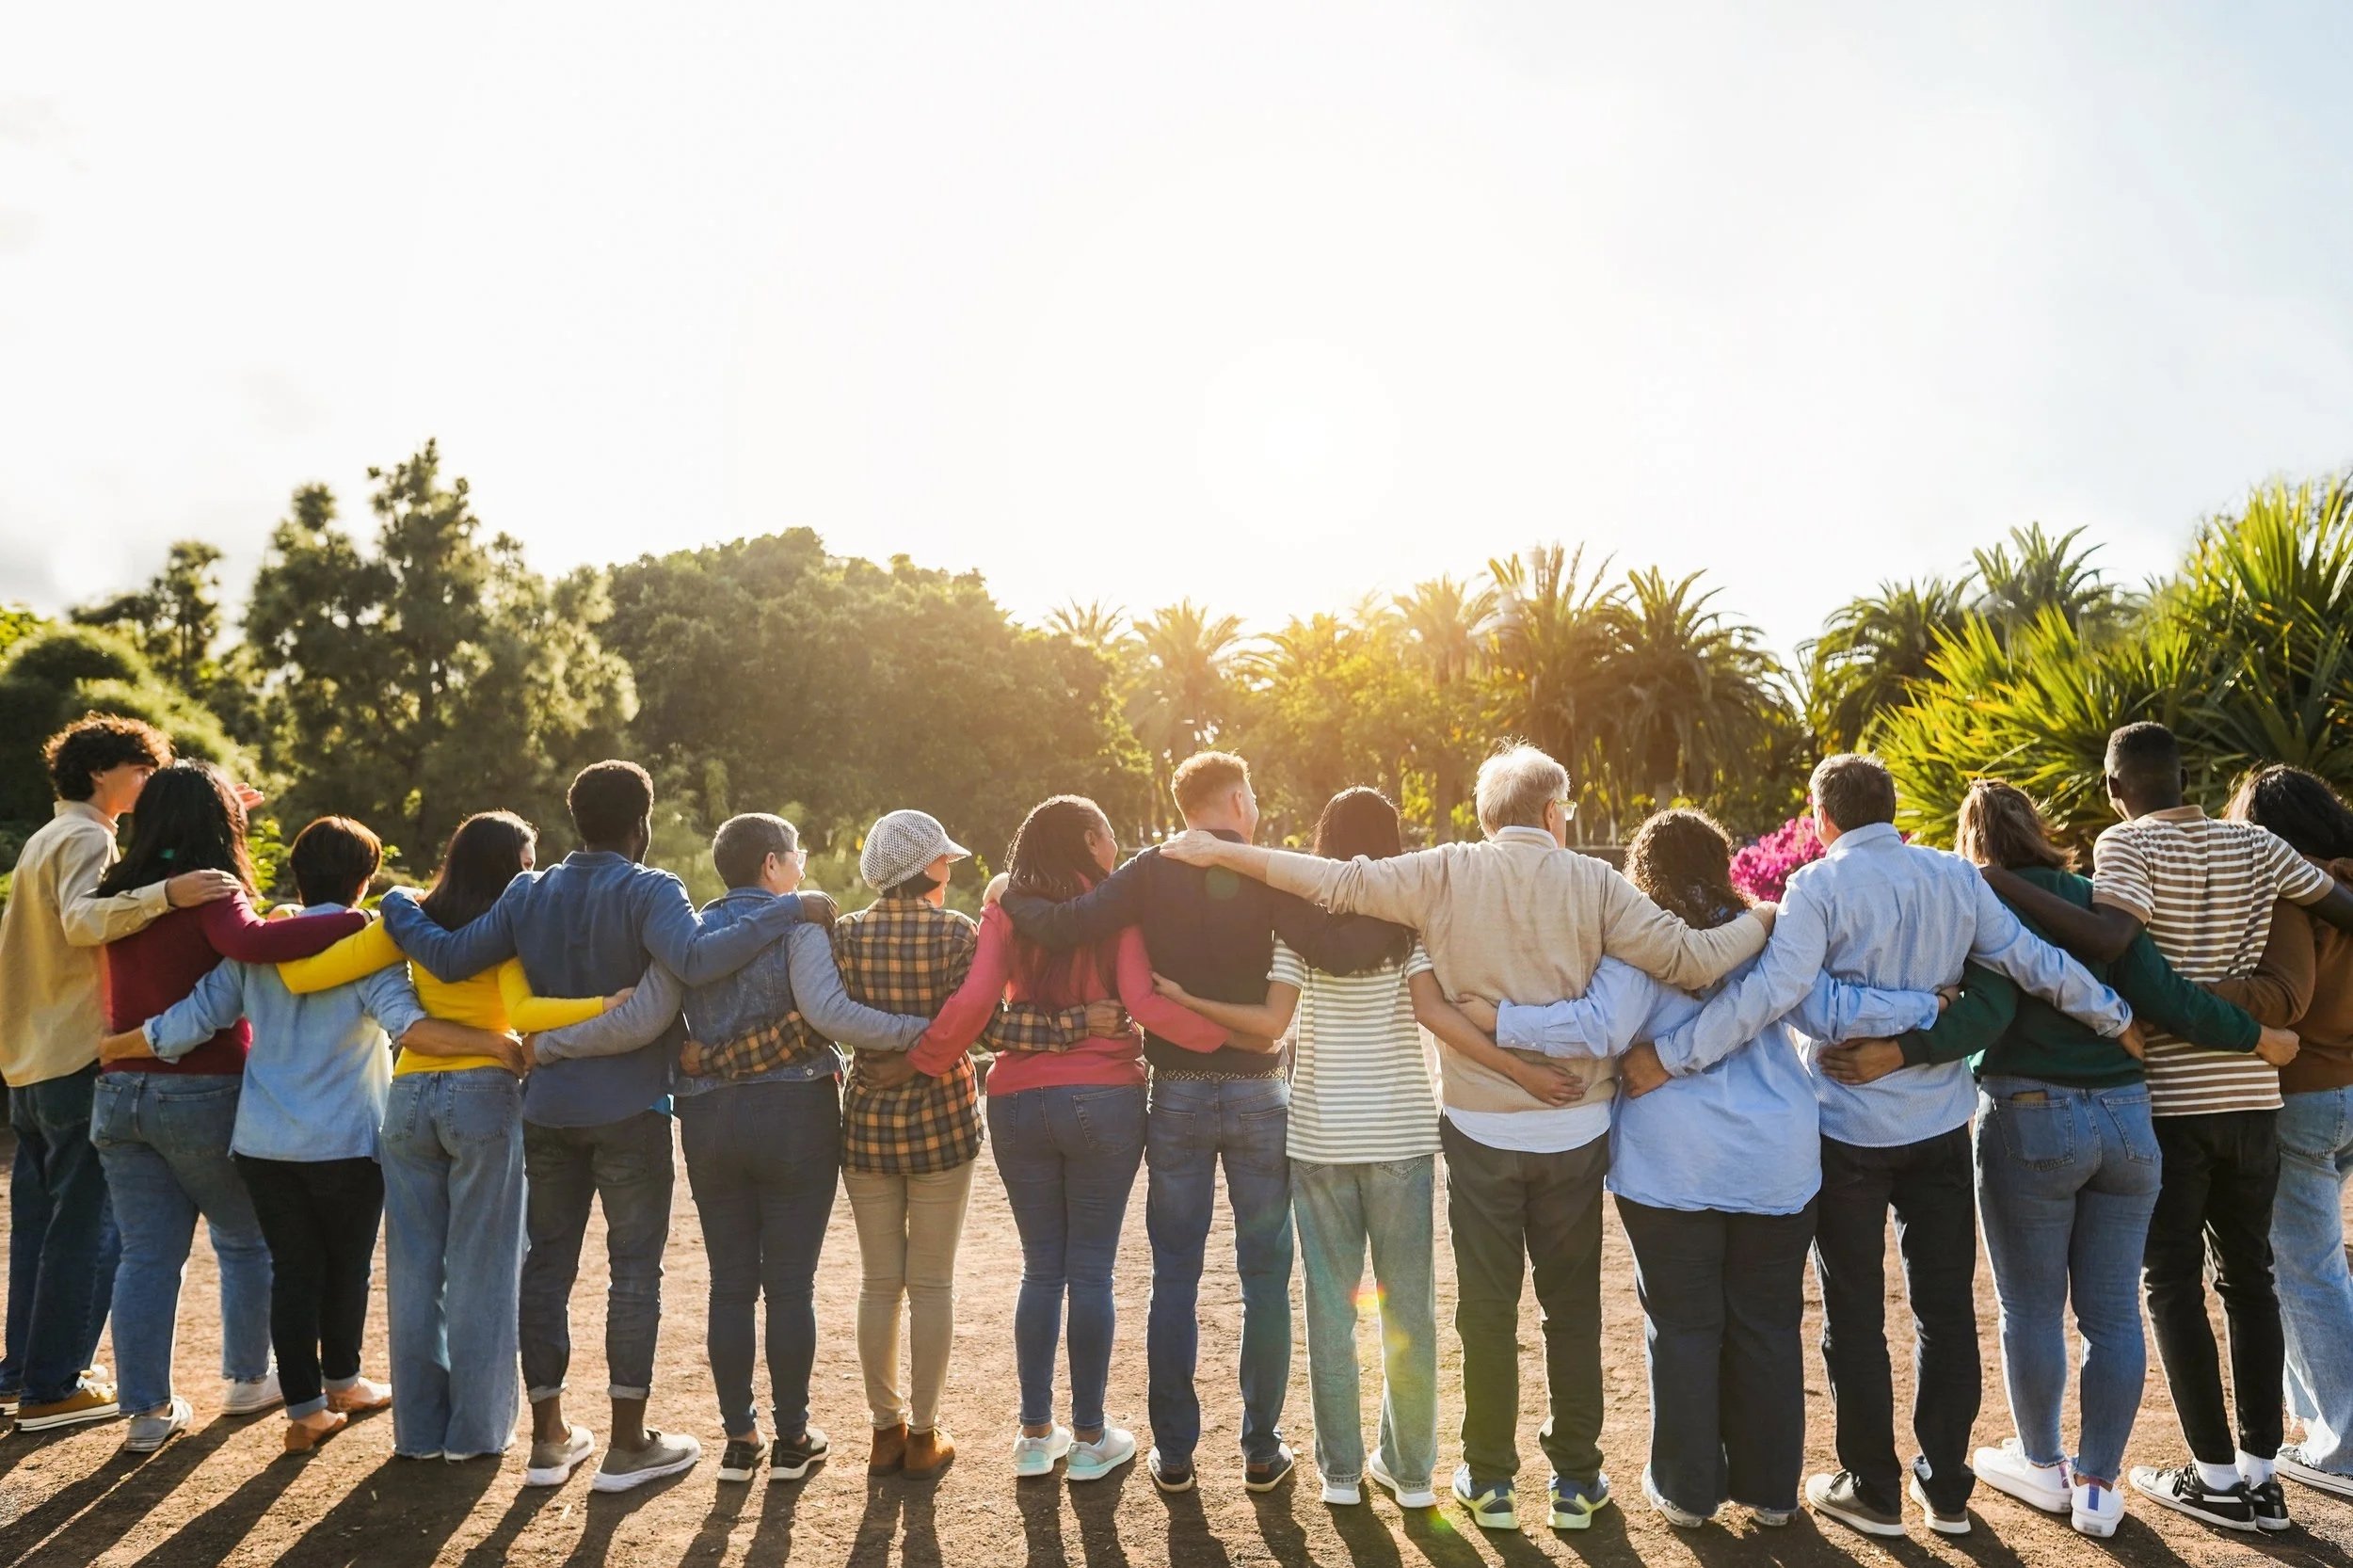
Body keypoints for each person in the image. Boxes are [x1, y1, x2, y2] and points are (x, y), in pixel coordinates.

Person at [1513, 754, 2129, 1540]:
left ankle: (1841, 1488)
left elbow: (1784, 996)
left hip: (1830, 1135)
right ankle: (1922, 1493)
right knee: (1923, 1313)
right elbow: (2034, 965)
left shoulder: (1809, 892)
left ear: (1822, 817)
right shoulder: (1950, 880)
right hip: (1911, 1130)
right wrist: (2111, 1014)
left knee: (1820, 1316)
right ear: (1893, 806)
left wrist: (1663, 1057)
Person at [1161, 745, 1775, 1531]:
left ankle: (1485, 1482)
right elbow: (1691, 958)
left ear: (1489, 817)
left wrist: (1224, 852)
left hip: (1476, 1128)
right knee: (1571, 1309)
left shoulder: (1445, 871)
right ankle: (1578, 1485)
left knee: (1483, 1311)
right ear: (1554, 814)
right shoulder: (1595, 881)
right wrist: (1762, 919)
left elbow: (1339, 880)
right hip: (1573, 1127)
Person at [1468, 809, 1941, 1531]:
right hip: (1776, 1161)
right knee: (1768, 1326)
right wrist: (1929, 1006)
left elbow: (1596, 1026)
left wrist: (1500, 1019)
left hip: (1671, 1166)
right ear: (1720, 864)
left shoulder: (1639, 942)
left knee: (1683, 1328)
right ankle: (1774, 1494)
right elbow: (1828, 1010)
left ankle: (1688, 1495)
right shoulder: (1770, 933)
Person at [377, 760, 828, 1494]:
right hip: (631, 1110)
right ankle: (627, 1444)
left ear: (576, 818)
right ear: (640, 822)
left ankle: (549, 1440)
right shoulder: (652, 889)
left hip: (547, 1109)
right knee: (633, 1273)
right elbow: (696, 957)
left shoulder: (529, 890)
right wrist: (790, 908)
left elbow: (452, 954)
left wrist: (397, 903)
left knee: (547, 1266)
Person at [1878, 781, 2290, 1538]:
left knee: (2030, 1308)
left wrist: (1910, 1037)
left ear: (1973, 843)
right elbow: (2166, 995)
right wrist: (2255, 1038)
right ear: (2037, 829)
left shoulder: (1979, 902)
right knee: (2111, 1313)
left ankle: (2043, 1465)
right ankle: (2099, 1486)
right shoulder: (2098, 901)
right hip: (2130, 1117)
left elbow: (1988, 1009)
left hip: (2031, 1115)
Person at [995, 752, 1411, 1496]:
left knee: (1174, 1278)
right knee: (1264, 1277)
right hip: (1258, 1092)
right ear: (1237, 799)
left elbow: (1065, 925)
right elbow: (1333, 945)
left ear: (1183, 804)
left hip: (1178, 1093)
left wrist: (1007, 897)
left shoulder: (1149, 871)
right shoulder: (1264, 869)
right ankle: (1261, 1448)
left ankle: (1176, 1454)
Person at [1986, 723, 2353, 1533]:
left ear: (2117, 786)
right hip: (2257, 1098)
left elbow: (2116, 942)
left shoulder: (2123, 844)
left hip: (2174, 1104)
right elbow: (2340, 908)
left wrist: (2002, 884)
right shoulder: (2256, 847)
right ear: (2188, 776)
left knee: (2172, 1287)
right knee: (2250, 1278)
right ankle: (2262, 1478)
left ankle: (2216, 1477)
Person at [536, 812, 969, 1487]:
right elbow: (828, 1017)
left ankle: (740, 1440)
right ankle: (794, 1438)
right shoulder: (800, 925)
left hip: (708, 1119)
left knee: (730, 1284)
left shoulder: (687, 933)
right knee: (790, 1285)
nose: (801, 868)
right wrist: (932, 1034)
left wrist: (550, 1044)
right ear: (772, 865)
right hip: (794, 1115)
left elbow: (643, 1019)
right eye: (794, 856)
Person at [1154, 787, 1533, 1512]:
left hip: (1322, 1139)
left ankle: (1339, 1473)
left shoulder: (1294, 926)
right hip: (1401, 1137)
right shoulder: (1411, 923)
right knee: (1409, 1312)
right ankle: (1414, 1474)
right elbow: (1433, 1010)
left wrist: (1182, 1001)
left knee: (1330, 1310)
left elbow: (1270, 1025)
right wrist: (1516, 1058)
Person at [100, 817, 523, 1453]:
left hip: (263, 1140)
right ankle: (344, 1382)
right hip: (346, 1140)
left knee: (292, 1269)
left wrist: (115, 1047)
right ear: (366, 879)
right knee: (346, 1268)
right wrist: (501, 1044)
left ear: (297, 873)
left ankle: (304, 1409)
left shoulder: (256, 951)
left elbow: (193, 1020)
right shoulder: (369, 954)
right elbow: (410, 1028)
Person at [273, 809, 617, 1464]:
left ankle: (420, 1435)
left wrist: (279, 929)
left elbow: (303, 975)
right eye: (527, 858)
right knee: (484, 1272)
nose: (532, 870)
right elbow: (522, 1014)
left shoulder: (410, 920)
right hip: (483, 1096)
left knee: (413, 1270)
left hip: (407, 1101)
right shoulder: (510, 927)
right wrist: (605, 1005)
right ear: (509, 863)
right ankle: (476, 1435)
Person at [910, 795, 1236, 1484]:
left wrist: (928, 1058)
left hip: (1017, 1101)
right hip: (1104, 1099)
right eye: (1110, 838)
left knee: (1040, 1269)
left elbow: (975, 1003)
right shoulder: (1115, 907)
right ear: (1090, 840)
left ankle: (1034, 1434)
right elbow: (1142, 1005)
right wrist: (1233, 1037)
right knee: (1090, 1271)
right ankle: (1090, 1438)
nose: (1116, 851)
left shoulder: (1005, 904)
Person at [88, 763, 367, 1449]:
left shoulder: (124, 889)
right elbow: (253, 944)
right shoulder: (213, 889)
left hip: (121, 1089)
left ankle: (148, 1413)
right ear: (222, 824)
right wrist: (365, 920)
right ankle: (248, 1378)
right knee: (248, 1241)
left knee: (146, 1257)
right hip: (197, 1085)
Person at [0, 714, 236, 1433]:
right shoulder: (85, 837)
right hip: (77, 1055)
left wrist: (218, 804)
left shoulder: (47, 837)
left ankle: (24, 1372)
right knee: (87, 1228)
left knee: (39, 1227)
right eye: (145, 769)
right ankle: (55, 1385)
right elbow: (82, 921)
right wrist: (170, 894)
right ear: (104, 771)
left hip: (29, 1059)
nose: (151, 783)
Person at [2208, 766, 2353, 1500]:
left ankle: (2342, 1444)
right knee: (2311, 1263)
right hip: (2350, 1095)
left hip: (2305, 1096)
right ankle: (2316, 1422)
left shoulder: (2295, 892)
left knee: (2306, 1269)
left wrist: (2179, 983)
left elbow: (2286, 999)